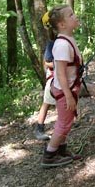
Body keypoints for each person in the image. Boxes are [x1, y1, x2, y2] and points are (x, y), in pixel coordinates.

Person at [41, 4, 83, 168]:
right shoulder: (62, 45)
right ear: (62, 25)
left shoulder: (67, 40)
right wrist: (67, 95)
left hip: (70, 89)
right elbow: (60, 74)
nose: (75, 16)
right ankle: (50, 155)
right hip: (65, 90)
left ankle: (61, 149)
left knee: (67, 120)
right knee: (64, 123)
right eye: (71, 15)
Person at [34, 12, 56, 140]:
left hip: (59, 77)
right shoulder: (52, 43)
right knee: (47, 102)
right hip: (53, 78)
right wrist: (60, 64)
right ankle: (39, 127)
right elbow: (47, 62)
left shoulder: (61, 40)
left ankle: (67, 122)